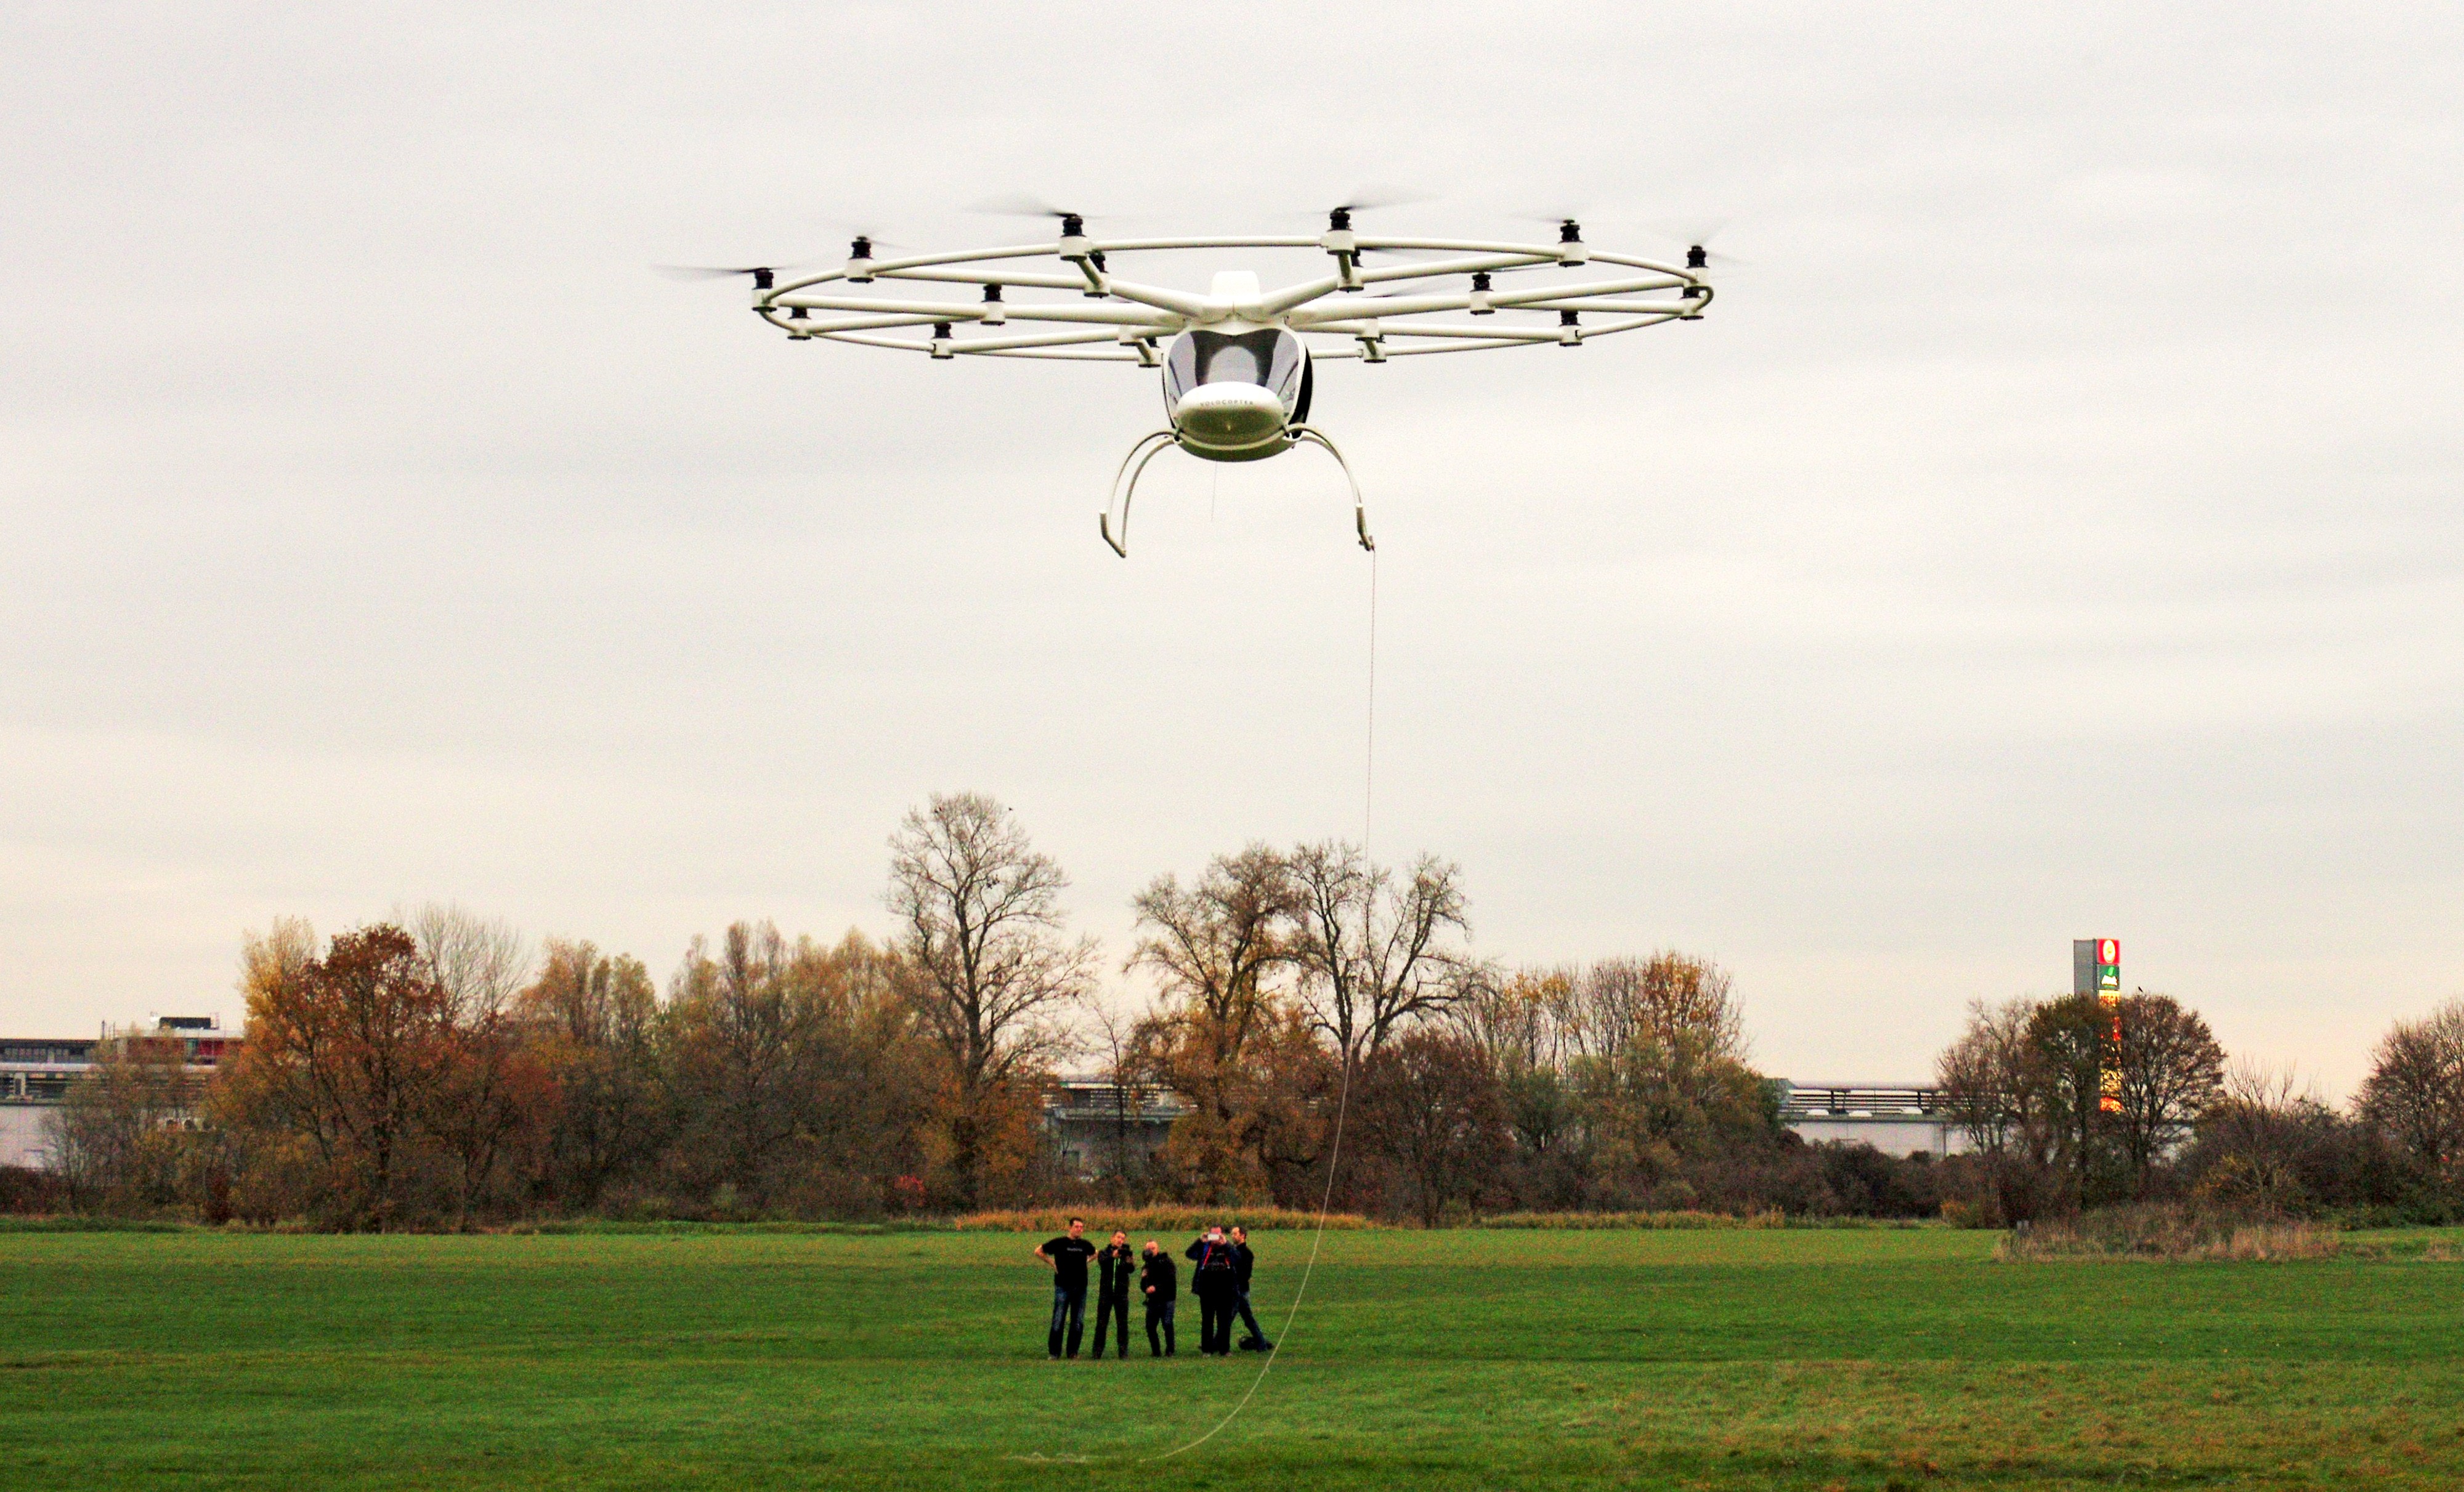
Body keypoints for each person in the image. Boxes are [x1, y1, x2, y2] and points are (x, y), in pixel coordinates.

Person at [1034, 1217, 1097, 1360]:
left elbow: (1096, 1253)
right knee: (1058, 1319)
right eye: (1077, 1227)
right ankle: (1054, 1353)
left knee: (1078, 1321)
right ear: (1070, 1228)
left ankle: (1073, 1352)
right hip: (1063, 1287)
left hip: (1081, 1288)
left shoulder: (1085, 1244)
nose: (1079, 1229)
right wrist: (1052, 1263)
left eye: (1081, 1227)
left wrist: (1087, 1261)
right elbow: (1038, 1251)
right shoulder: (1059, 1242)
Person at [1185, 1224, 1238, 1356]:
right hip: (1207, 1289)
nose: (1215, 1239)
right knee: (1207, 1320)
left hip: (1225, 1289)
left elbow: (1237, 1258)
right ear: (1209, 1235)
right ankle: (1207, 1349)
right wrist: (1199, 1241)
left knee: (1224, 1321)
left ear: (1222, 1235)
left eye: (1218, 1235)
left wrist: (1227, 1244)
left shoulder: (1227, 1247)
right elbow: (1189, 1254)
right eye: (1213, 1235)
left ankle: (1224, 1349)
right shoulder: (1205, 1247)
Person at [1090, 1229, 1136, 1360]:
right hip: (1106, 1293)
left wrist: (1130, 1261)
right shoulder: (1104, 1253)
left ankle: (1123, 1351)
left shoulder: (1125, 1253)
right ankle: (1097, 1351)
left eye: (1123, 1238)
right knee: (1102, 1322)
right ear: (1112, 1238)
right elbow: (1103, 1263)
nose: (1120, 1240)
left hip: (1121, 1293)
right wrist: (1113, 1256)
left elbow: (1131, 1270)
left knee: (1122, 1323)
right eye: (1118, 1237)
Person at [1228, 1224, 1273, 1352]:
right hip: (1237, 1290)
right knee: (1247, 1319)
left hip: (1240, 1291)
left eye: (1235, 1234)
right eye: (1232, 1234)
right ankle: (1262, 1344)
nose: (1233, 1236)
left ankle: (1214, 1344)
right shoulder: (1234, 1251)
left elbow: (1245, 1274)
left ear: (1243, 1236)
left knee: (1229, 1318)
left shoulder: (1246, 1253)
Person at [1139, 1238, 1177, 1357]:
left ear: (1158, 1249)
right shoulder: (1146, 1265)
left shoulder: (1166, 1262)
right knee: (1150, 1326)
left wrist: (1156, 1287)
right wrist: (1143, 1279)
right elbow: (1143, 1287)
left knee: (1167, 1324)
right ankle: (1156, 1351)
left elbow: (1170, 1280)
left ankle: (1170, 1350)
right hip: (1153, 1301)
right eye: (1148, 1249)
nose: (1150, 1251)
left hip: (1167, 1299)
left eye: (1153, 1248)